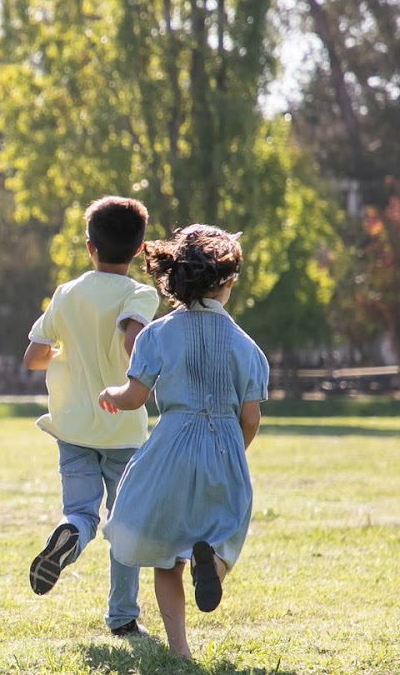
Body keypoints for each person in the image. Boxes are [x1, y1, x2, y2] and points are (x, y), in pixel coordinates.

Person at [98, 225, 268, 660]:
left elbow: (135, 397)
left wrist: (111, 395)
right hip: (225, 446)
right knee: (224, 533)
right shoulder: (247, 348)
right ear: (227, 282)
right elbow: (251, 418)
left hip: (171, 446)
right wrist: (233, 452)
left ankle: (180, 652)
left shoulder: (156, 334)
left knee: (165, 553)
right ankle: (213, 565)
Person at [21, 196, 158, 637]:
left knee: (81, 511)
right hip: (122, 427)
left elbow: (33, 356)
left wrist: (70, 354)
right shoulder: (140, 293)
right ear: (139, 250)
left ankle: (69, 533)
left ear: (89, 247)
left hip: (73, 425)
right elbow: (133, 339)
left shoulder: (67, 293)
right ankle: (122, 617)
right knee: (125, 524)